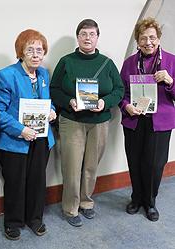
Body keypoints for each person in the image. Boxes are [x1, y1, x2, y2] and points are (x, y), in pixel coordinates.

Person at [50, 19, 124, 227]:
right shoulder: (66, 61)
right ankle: (70, 207)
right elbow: (54, 89)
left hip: (99, 122)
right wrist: (69, 101)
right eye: (83, 34)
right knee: (72, 166)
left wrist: (104, 102)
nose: (87, 38)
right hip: (72, 120)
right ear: (78, 37)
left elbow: (119, 90)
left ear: (97, 38)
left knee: (91, 165)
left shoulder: (107, 63)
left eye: (92, 34)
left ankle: (86, 202)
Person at [0, 29, 56, 240]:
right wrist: (21, 130)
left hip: (41, 138)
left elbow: (47, 101)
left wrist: (52, 110)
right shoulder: (6, 75)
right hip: (14, 141)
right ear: (21, 52)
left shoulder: (44, 74)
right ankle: (13, 221)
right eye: (30, 50)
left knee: (37, 180)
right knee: (15, 182)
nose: (36, 54)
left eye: (40, 50)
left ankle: (35, 218)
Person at [119, 17, 175, 222]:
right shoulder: (129, 63)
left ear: (159, 39)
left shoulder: (171, 61)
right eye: (143, 38)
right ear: (137, 41)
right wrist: (127, 106)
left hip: (159, 121)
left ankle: (150, 202)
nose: (148, 42)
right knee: (134, 161)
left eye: (152, 37)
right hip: (135, 119)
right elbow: (120, 93)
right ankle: (136, 198)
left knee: (154, 164)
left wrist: (170, 81)